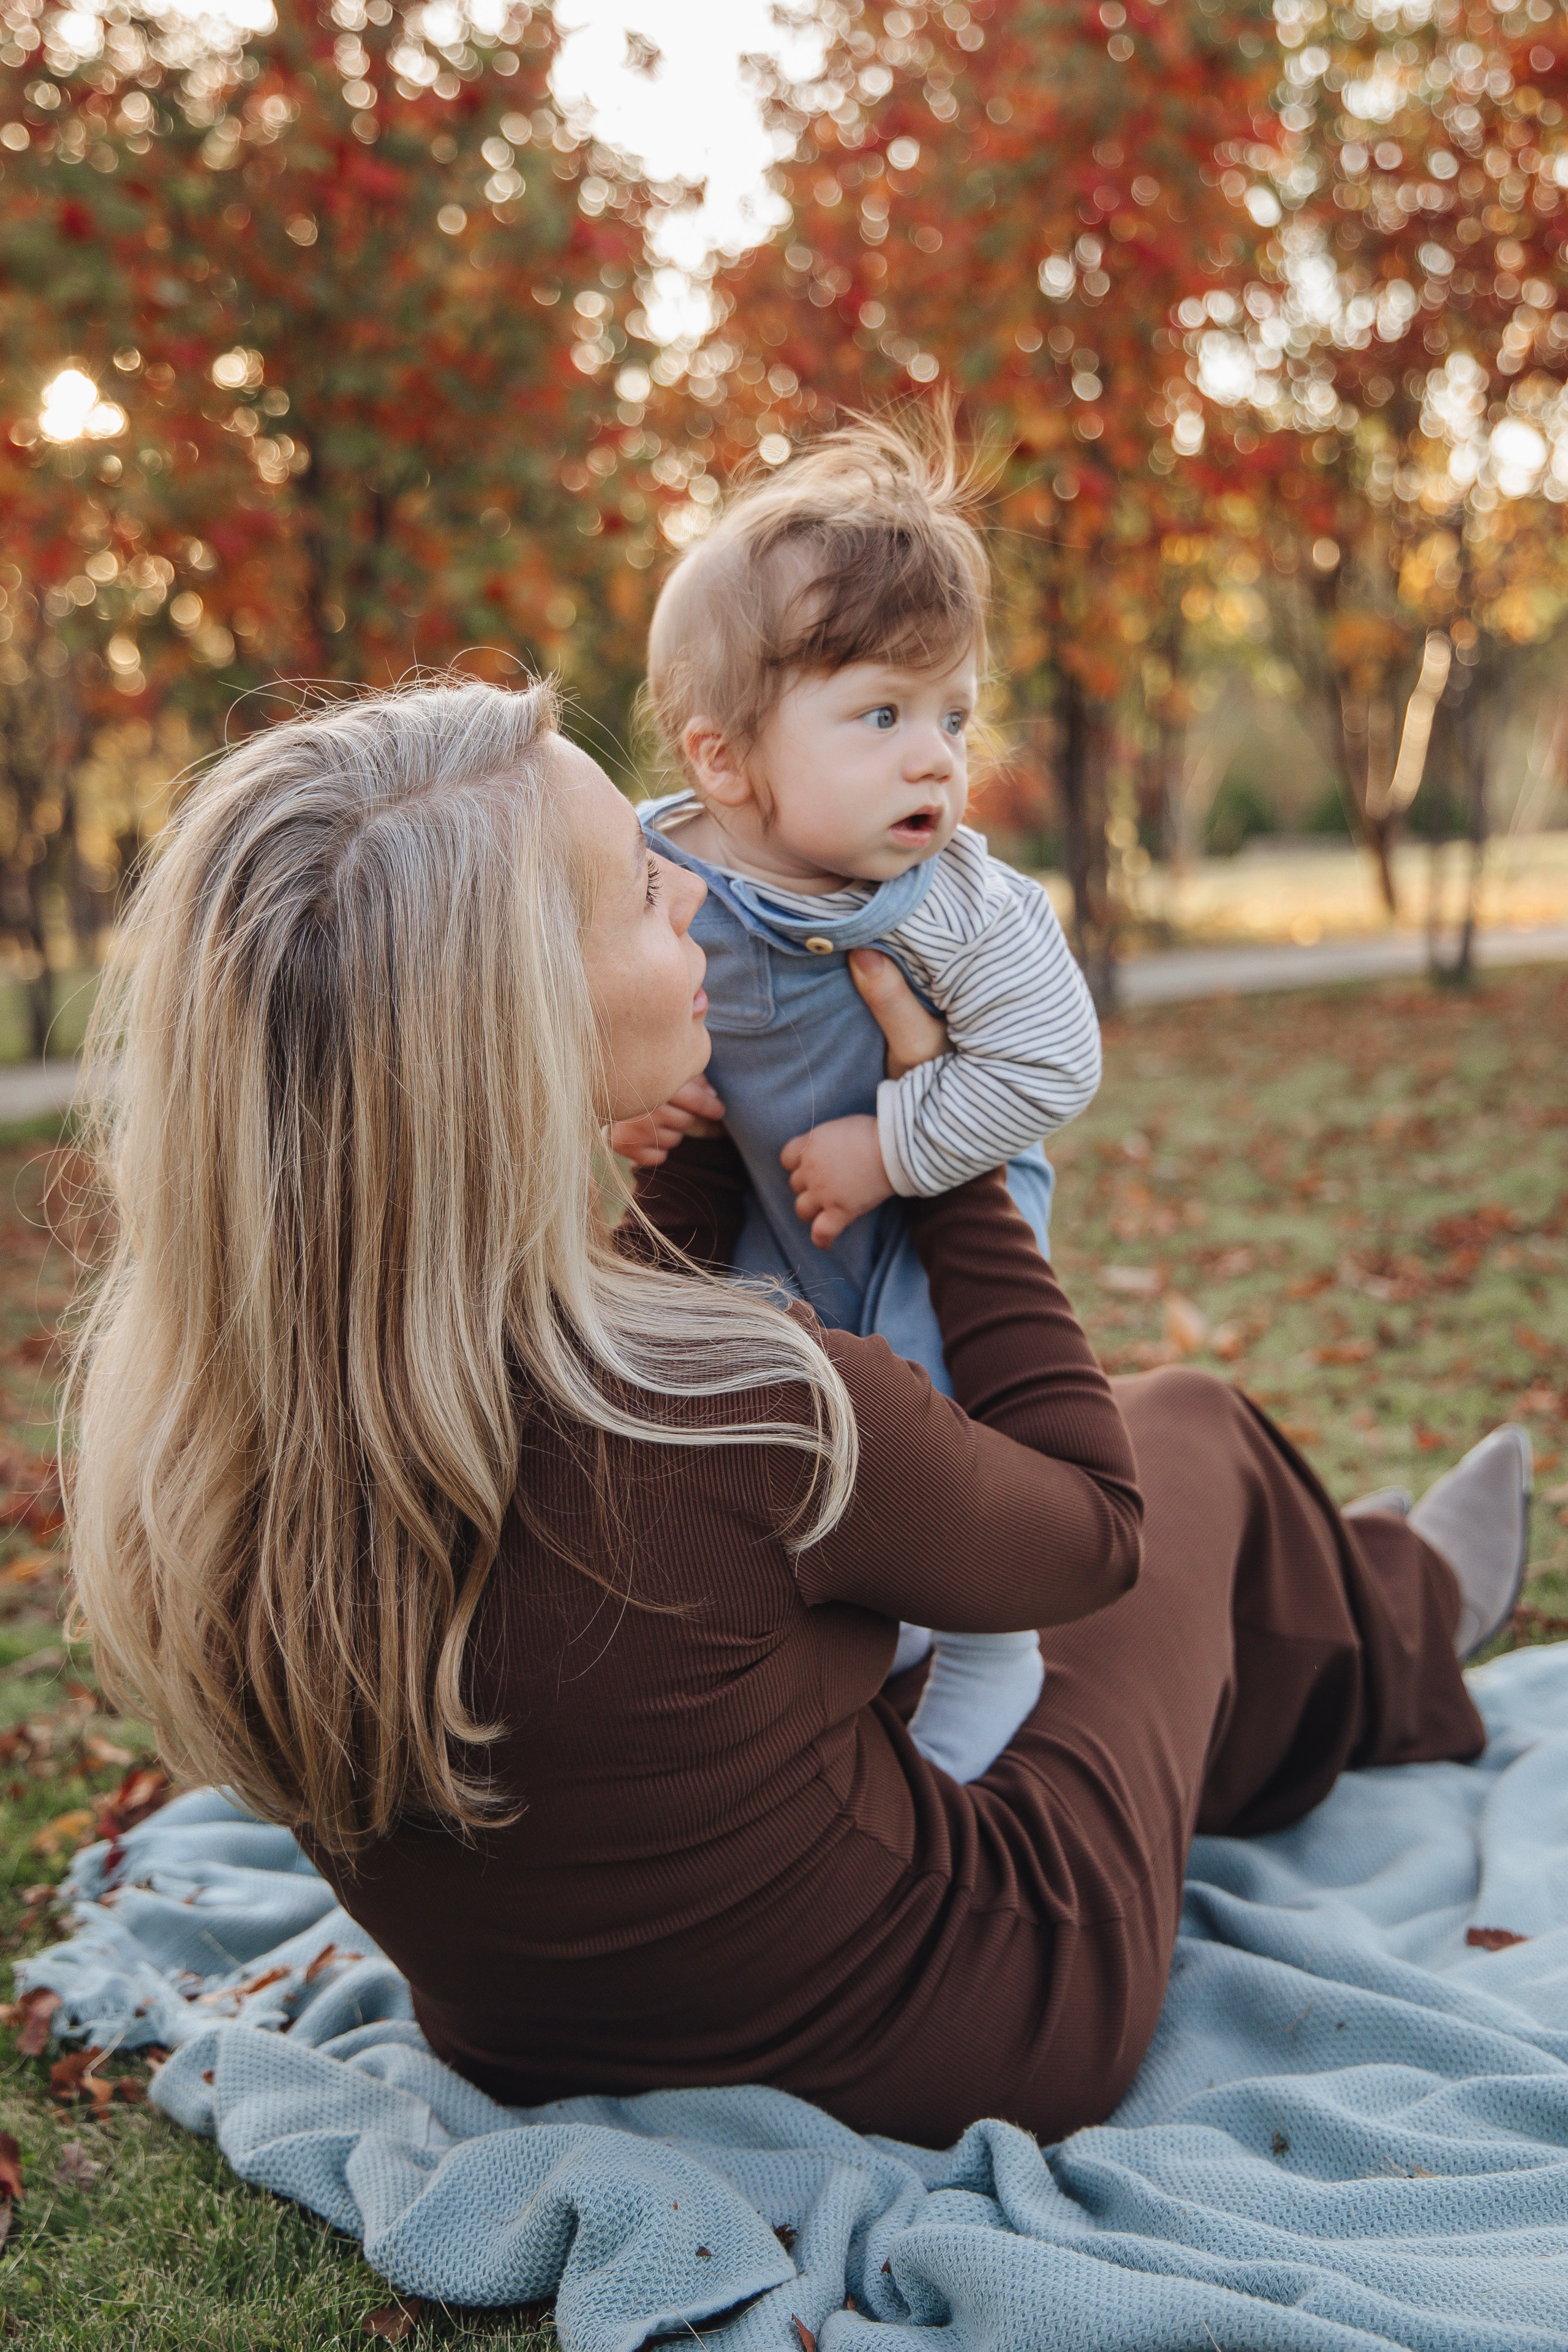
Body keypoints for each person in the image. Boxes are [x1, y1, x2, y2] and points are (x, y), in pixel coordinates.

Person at [65, 679, 1530, 2152]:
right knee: (1185, 1432)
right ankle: (1401, 1629)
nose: (701, 905)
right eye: (649, 888)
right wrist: (941, 1144)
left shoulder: (216, 1436)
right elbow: (1090, 1533)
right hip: (960, 2018)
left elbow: (567, 1436)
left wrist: (703, 1140)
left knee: (1089, 1571)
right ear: (520, 1020)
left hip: (524, 2031)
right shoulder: (752, 1415)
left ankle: (1349, 1619)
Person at [630, 416, 1101, 1781]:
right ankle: (836, 1650)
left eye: (952, 715)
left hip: (922, 1222)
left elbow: (1050, 1064)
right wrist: (628, 1113)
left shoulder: (953, 903)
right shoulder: (661, 874)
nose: (934, 759)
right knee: (747, 1430)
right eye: (882, 715)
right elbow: (596, 1023)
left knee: (936, 1445)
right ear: (723, 762)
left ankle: (988, 1642)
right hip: (772, 1227)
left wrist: (892, 1148)